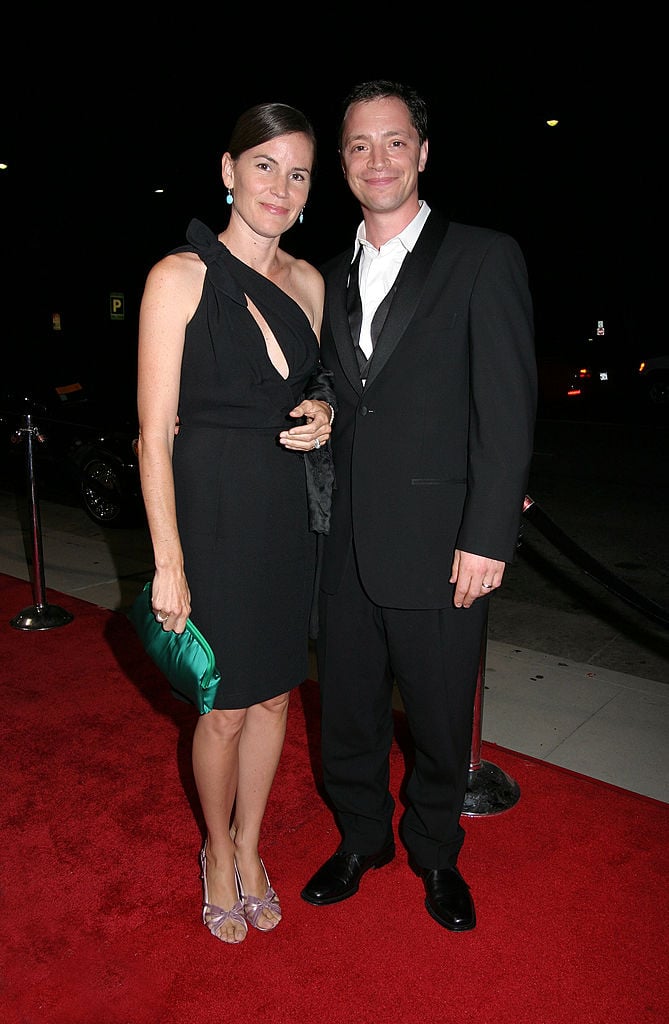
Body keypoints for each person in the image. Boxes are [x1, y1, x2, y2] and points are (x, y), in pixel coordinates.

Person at [300, 80, 538, 931]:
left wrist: (487, 535)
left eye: (394, 142)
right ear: (341, 163)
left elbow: (506, 408)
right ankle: (362, 837)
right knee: (348, 714)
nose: (377, 160)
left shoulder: (482, 256)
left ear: (423, 153)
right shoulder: (323, 277)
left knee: (438, 721)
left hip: (444, 544)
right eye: (359, 145)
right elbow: (333, 386)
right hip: (342, 541)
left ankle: (435, 853)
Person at [136, 102, 335, 945]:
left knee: (277, 698)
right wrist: (168, 562)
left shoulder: (312, 283)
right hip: (210, 518)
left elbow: (314, 390)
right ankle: (216, 850)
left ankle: (253, 846)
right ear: (227, 171)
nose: (280, 187)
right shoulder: (177, 276)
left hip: (288, 515)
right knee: (221, 705)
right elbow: (152, 433)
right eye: (265, 166)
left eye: (297, 173)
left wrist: (323, 411)